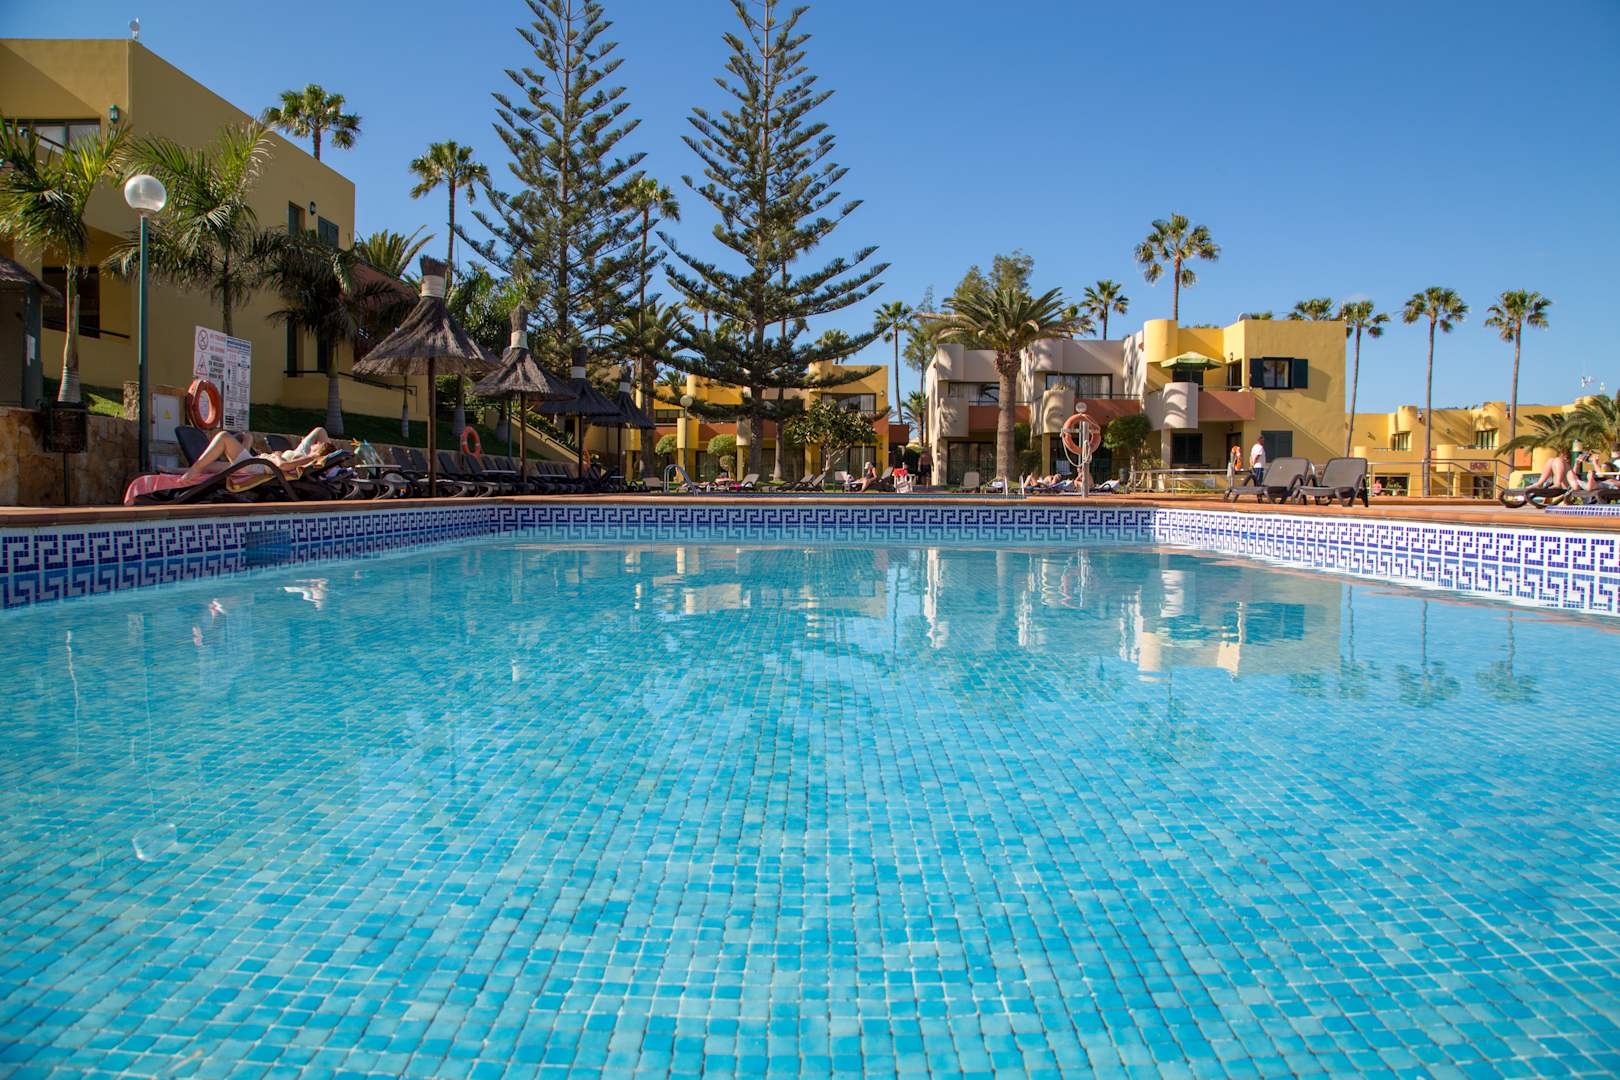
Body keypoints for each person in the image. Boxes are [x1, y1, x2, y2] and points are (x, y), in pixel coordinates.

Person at [179, 427, 336, 482]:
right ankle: (178, 471)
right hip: (258, 464)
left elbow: (282, 466)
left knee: (224, 436)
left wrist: (276, 455)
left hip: (256, 468)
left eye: (317, 444)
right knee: (212, 466)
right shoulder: (308, 458)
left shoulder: (309, 458)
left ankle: (194, 470)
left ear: (318, 451)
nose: (315, 443)